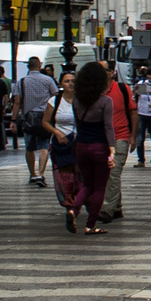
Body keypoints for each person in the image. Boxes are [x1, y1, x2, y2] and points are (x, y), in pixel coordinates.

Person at [67, 61, 116, 235]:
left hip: (82, 146)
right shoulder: (105, 102)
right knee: (99, 187)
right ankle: (90, 224)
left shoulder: (77, 101)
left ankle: (74, 209)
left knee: (86, 184)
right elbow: (108, 127)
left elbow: (78, 125)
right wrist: (112, 150)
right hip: (99, 147)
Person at [97, 61, 137, 223]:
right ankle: (117, 206)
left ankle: (106, 208)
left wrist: (133, 137)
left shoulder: (122, 89)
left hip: (120, 136)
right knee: (107, 174)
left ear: (112, 72)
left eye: (104, 70)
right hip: (99, 138)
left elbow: (133, 113)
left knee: (113, 173)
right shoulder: (93, 91)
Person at [13, 56, 58, 187]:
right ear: (39, 66)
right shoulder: (48, 80)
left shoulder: (22, 82)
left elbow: (17, 102)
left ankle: (32, 174)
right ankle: (41, 173)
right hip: (44, 117)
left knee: (30, 147)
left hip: (29, 118)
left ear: (28, 67)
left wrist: (13, 119)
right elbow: (55, 96)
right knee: (44, 146)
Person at [42, 70, 79, 214]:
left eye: (73, 81)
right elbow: (45, 122)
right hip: (61, 143)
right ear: (61, 83)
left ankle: (80, 199)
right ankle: (68, 203)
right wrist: (57, 132)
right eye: (67, 81)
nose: (70, 84)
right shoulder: (54, 101)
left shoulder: (82, 99)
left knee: (79, 174)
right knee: (63, 176)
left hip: (78, 142)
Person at [133, 67, 151, 168]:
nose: (150, 80)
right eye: (149, 78)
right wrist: (135, 89)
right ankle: (141, 160)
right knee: (140, 138)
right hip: (142, 112)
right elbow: (133, 95)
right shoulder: (141, 83)